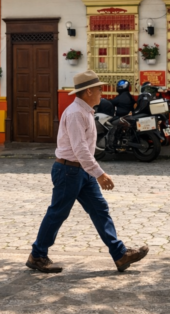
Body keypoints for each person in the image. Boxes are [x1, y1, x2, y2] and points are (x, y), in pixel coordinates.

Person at [27, 70, 149, 273]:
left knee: (100, 209)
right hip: (69, 170)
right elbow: (80, 148)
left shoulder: (85, 111)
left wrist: (93, 171)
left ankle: (120, 255)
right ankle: (37, 255)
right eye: (99, 88)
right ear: (89, 91)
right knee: (58, 213)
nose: (102, 92)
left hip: (81, 170)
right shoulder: (76, 113)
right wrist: (99, 173)